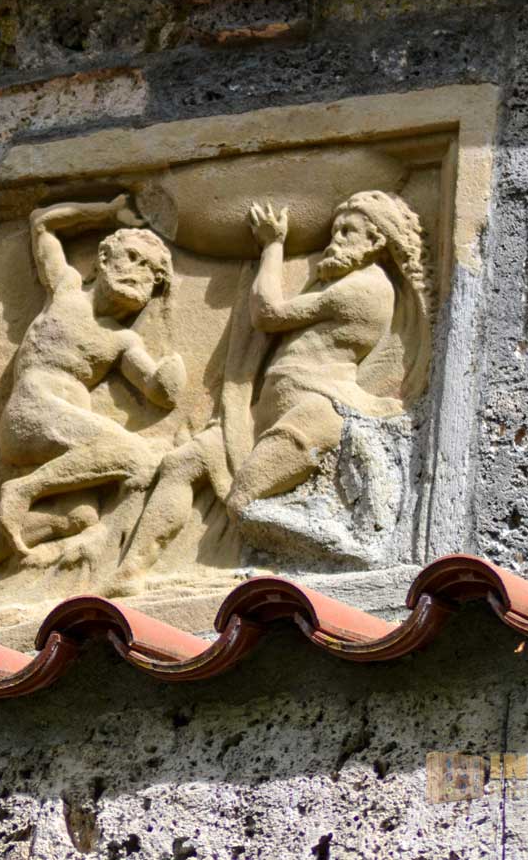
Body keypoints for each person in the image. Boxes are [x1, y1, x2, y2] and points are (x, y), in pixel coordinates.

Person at [111, 189, 428, 590]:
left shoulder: (364, 289)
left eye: (348, 231)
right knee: (182, 463)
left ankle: (340, 551)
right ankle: (128, 575)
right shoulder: (341, 280)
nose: (335, 240)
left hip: (312, 412)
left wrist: (273, 245)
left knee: (244, 502)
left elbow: (268, 313)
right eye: (335, 230)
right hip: (268, 411)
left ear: (375, 240)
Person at [0, 194, 185, 607]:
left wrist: (168, 380)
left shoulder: (123, 341)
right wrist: (105, 212)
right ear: (104, 258)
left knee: (77, 515)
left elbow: (155, 389)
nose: (139, 274)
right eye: (133, 258)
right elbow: (41, 223)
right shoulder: (67, 289)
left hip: (68, 434)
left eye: (153, 274)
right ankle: (25, 489)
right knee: (138, 457)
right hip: (34, 409)